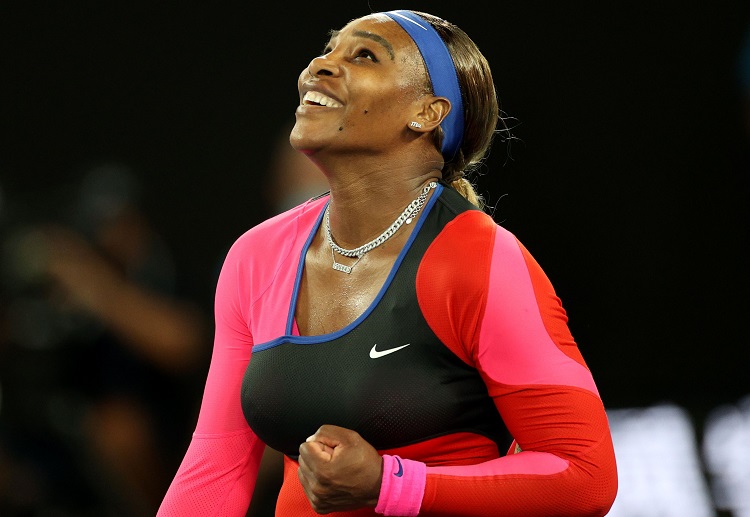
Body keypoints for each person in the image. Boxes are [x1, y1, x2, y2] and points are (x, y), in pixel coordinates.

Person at [158, 9, 618, 516]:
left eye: (364, 55)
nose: (318, 66)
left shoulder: (481, 259)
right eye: (328, 50)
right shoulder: (258, 256)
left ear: (427, 112)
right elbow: (215, 468)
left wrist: (391, 486)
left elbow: (585, 475)